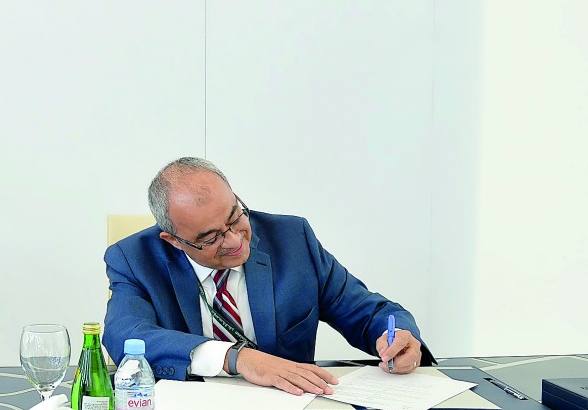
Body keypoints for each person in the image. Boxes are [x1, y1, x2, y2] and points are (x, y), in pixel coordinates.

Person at [102, 157, 431, 395]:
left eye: (235, 217)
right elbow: (125, 335)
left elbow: (369, 312)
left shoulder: (291, 239)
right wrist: (237, 359)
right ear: (173, 240)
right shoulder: (134, 259)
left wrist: (399, 336)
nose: (233, 240)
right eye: (210, 237)